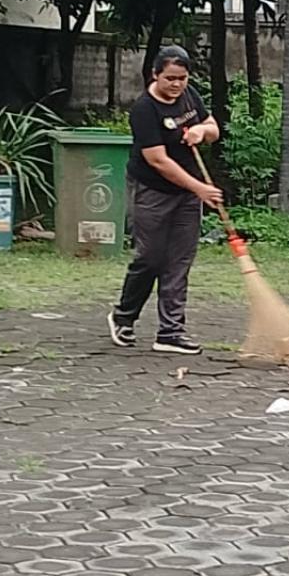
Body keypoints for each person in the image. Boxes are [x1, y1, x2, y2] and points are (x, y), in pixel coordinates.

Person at [107, 45, 223, 355]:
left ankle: (170, 332)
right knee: (151, 258)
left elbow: (214, 128)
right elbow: (157, 160)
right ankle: (123, 317)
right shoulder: (144, 110)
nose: (176, 84)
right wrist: (200, 188)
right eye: (170, 78)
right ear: (155, 75)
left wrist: (201, 131)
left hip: (187, 194)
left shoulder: (189, 95)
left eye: (182, 78)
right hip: (152, 190)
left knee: (179, 261)